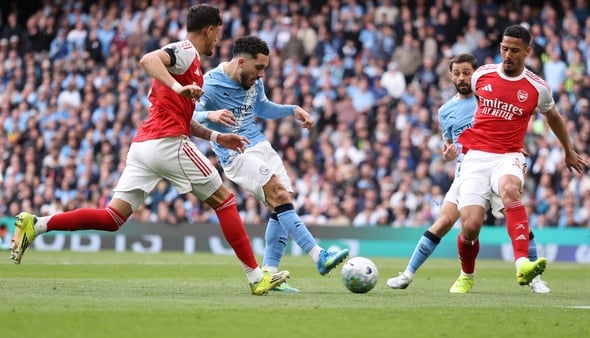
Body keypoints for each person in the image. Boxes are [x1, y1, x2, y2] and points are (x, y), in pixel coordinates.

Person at [11, 4, 289, 296]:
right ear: (209, 30)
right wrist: (177, 86)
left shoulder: (191, 68)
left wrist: (217, 138)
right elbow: (147, 59)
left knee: (113, 217)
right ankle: (256, 277)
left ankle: (37, 224)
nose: (217, 40)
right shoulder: (185, 51)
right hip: (168, 143)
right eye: (217, 33)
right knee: (225, 201)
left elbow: (182, 117)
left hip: (144, 146)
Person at [193, 35, 349, 292]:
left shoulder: (254, 79)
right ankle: (318, 255)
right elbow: (190, 114)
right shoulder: (209, 83)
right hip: (235, 152)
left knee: (283, 200)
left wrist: (292, 109)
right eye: (259, 68)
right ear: (241, 62)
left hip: (261, 146)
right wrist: (210, 114)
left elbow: (262, 107)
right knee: (277, 192)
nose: (262, 74)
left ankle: (270, 273)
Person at [386, 53, 550, 294]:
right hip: (467, 170)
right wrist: (447, 154)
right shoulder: (445, 111)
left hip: (499, 163)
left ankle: (534, 278)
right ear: (451, 76)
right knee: (447, 223)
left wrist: (513, 141)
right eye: (457, 73)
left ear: (476, 73)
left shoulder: (489, 95)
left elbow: (523, 112)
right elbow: (449, 144)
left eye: (466, 72)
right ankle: (408, 274)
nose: (462, 77)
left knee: (512, 208)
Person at [449, 25, 587, 293]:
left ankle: (523, 264)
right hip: (476, 156)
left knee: (511, 190)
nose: (508, 54)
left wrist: (568, 150)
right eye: (504, 48)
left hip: (509, 155)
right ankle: (467, 274)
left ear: (527, 51)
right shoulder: (482, 75)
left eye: (514, 50)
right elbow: (467, 104)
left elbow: (554, 117)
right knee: (471, 226)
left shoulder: (538, 88)